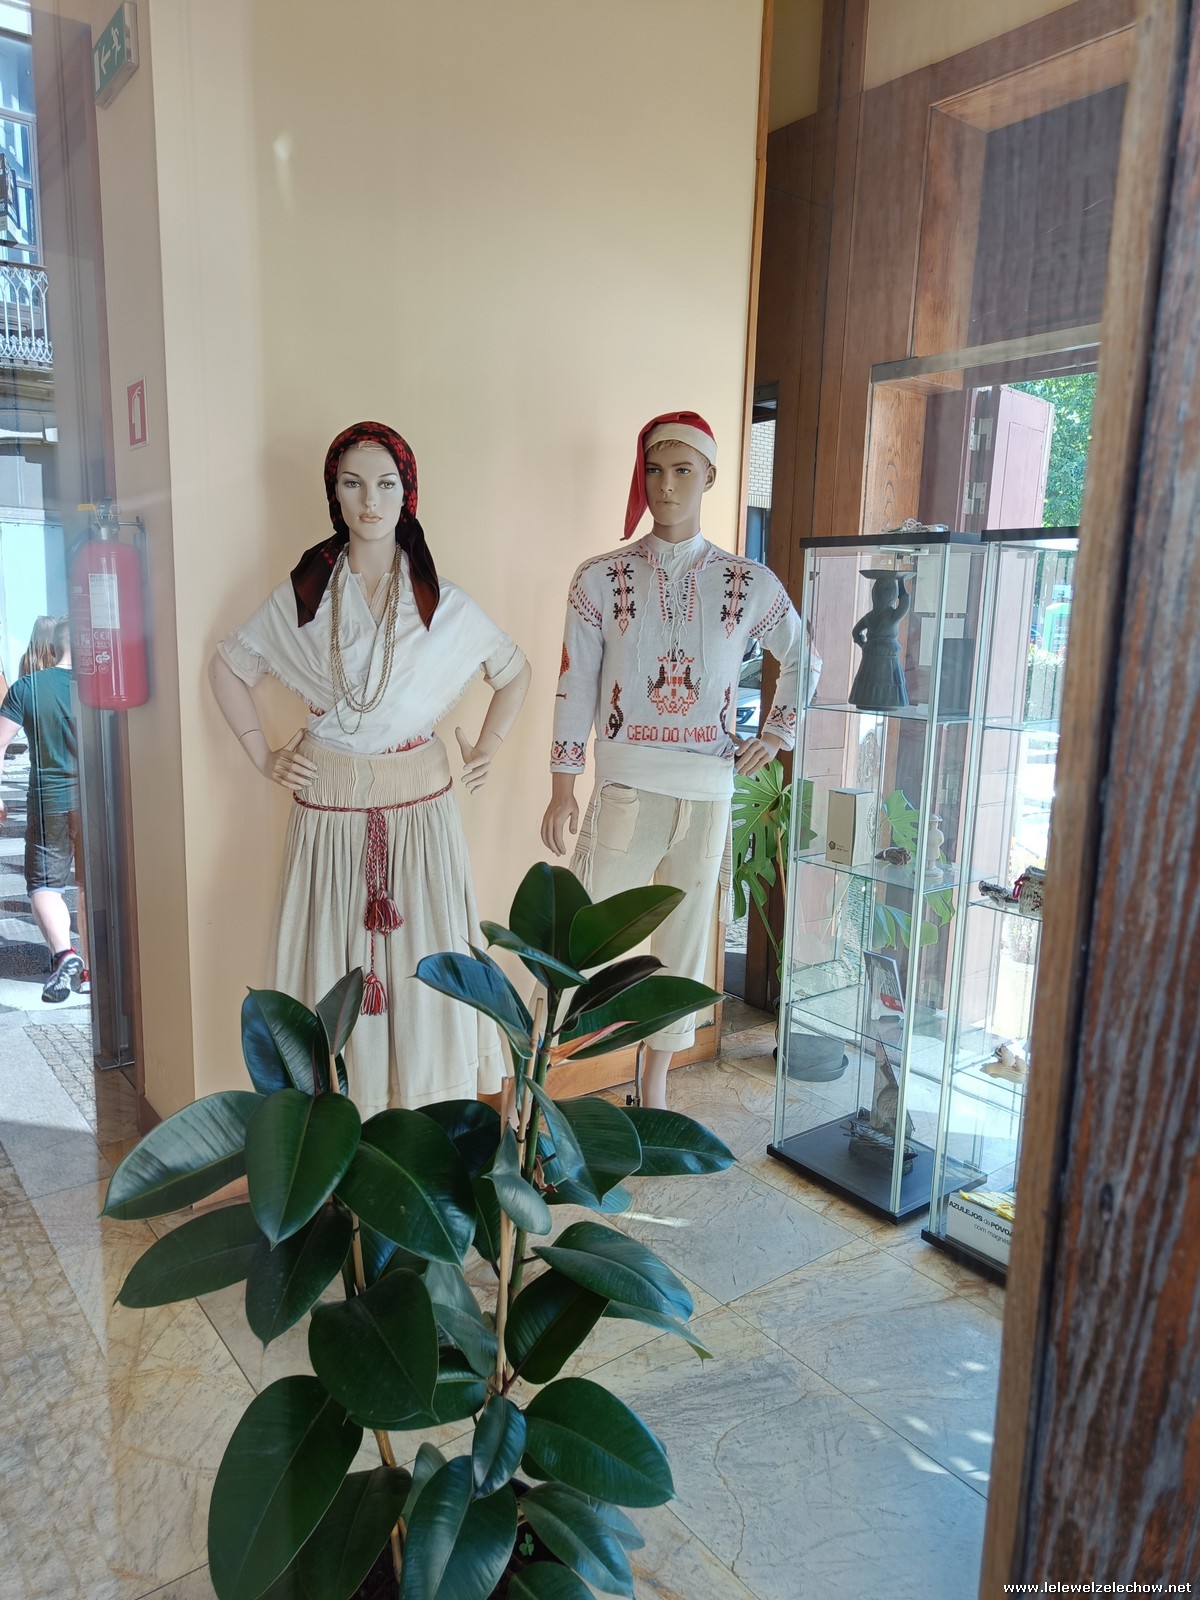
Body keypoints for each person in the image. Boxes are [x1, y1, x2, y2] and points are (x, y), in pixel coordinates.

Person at [210, 421, 530, 1116]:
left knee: (422, 963)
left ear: (407, 493)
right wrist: (263, 753)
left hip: (421, 810)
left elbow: (514, 672)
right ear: (335, 493)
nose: (370, 500)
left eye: (385, 484)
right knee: (331, 961)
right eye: (352, 483)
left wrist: (487, 747)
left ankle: (422, 1119)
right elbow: (228, 667)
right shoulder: (305, 597)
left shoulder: (440, 603)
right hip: (328, 810)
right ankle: (339, 1127)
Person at [542, 410, 804, 1108]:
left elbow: (802, 656)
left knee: (684, 947)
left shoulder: (748, 582)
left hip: (710, 791)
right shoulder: (601, 578)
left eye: (683, 470)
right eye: (655, 469)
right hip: (627, 788)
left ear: (710, 476)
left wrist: (777, 733)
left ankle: (652, 1089)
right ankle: (538, 1080)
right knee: (584, 937)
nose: (666, 485)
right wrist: (564, 784)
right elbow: (575, 682)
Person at [0, 616, 90, 1002]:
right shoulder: (99, 689)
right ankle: (90, 972)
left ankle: (65, 954)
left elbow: (0, 742)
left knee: (44, 886)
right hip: (94, 804)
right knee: (89, 887)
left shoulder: (27, 687)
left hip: (48, 802)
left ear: (53, 648)